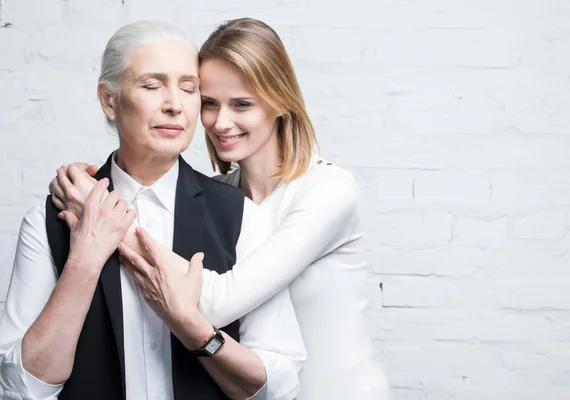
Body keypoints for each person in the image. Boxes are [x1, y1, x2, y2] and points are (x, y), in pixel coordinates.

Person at [49, 18, 392, 399]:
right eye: (210, 103)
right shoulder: (221, 199)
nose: (220, 122)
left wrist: (103, 213)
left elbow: (215, 302)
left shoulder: (327, 191)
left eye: (241, 104)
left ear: (281, 101)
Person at [0, 20, 305, 400]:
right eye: (151, 85)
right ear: (108, 100)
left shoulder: (241, 216)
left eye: (190, 89)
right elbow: (22, 389)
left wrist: (194, 329)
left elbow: (279, 387)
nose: (174, 104)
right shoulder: (49, 220)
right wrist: (84, 262)